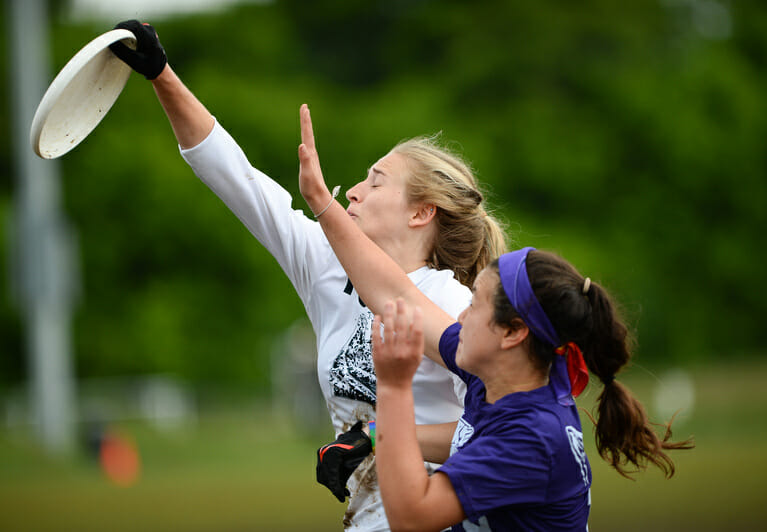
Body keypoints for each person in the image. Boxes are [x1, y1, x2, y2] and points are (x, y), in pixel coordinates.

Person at [108, 20, 507, 531]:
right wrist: (162, 75)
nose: (355, 191)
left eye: (375, 181)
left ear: (421, 213)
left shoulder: (451, 304)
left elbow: (496, 431)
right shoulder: (326, 263)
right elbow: (235, 177)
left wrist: (381, 435)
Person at [299, 106, 695, 531]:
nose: (460, 311)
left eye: (476, 306)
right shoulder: (496, 377)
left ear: (513, 332)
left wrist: (394, 386)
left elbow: (413, 515)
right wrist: (322, 202)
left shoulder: (531, 439)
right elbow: (396, 292)